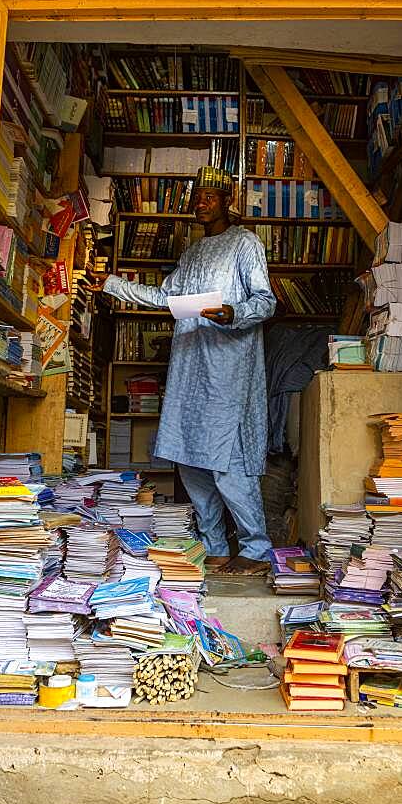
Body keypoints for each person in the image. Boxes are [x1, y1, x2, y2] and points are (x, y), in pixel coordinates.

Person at [94, 165, 276, 574]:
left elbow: (266, 302)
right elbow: (164, 296)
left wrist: (234, 312)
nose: (201, 204)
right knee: (191, 462)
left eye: (210, 197)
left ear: (228, 201)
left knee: (226, 461)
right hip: (189, 367)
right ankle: (214, 543)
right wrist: (110, 284)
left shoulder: (244, 244)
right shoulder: (192, 253)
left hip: (228, 368)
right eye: (197, 197)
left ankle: (255, 548)